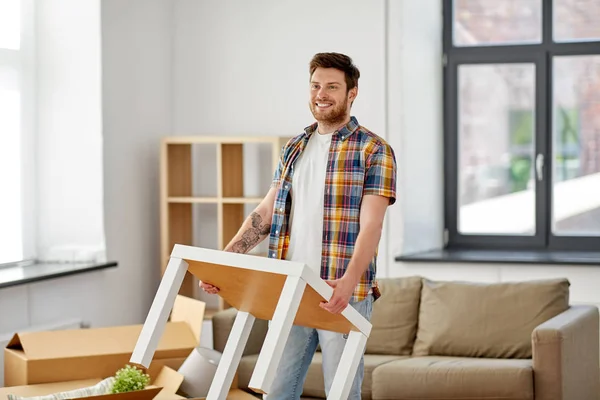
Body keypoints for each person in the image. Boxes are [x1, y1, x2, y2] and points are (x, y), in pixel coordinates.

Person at [200, 52, 397, 400]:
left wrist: (348, 283)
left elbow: (372, 226)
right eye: (316, 85)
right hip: (289, 289)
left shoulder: (374, 150)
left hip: (340, 290)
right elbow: (266, 213)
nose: (322, 94)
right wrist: (224, 262)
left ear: (352, 93)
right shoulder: (294, 147)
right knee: (277, 390)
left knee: (341, 393)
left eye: (332, 87)